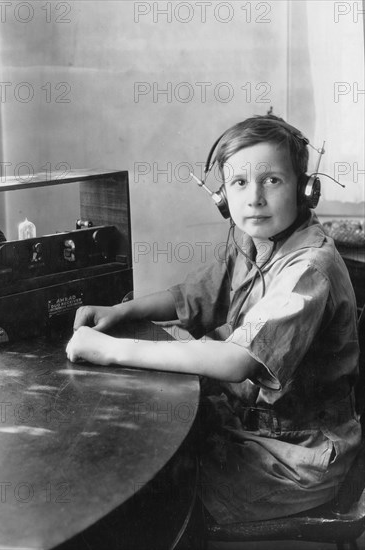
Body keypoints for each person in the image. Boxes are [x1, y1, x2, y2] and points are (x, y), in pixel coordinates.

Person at [66, 115, 362, 522]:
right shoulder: (250, 241)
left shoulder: (309, 269)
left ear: (305, 189)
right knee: (131, 451)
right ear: (222, 195)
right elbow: (190, 296)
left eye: (272, 181)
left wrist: (112, 350)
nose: (254, 198)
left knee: (150, 495)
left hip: (299, 456)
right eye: (239, 183)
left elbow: (236, 361)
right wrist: (120, 311)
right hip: (250, 426)